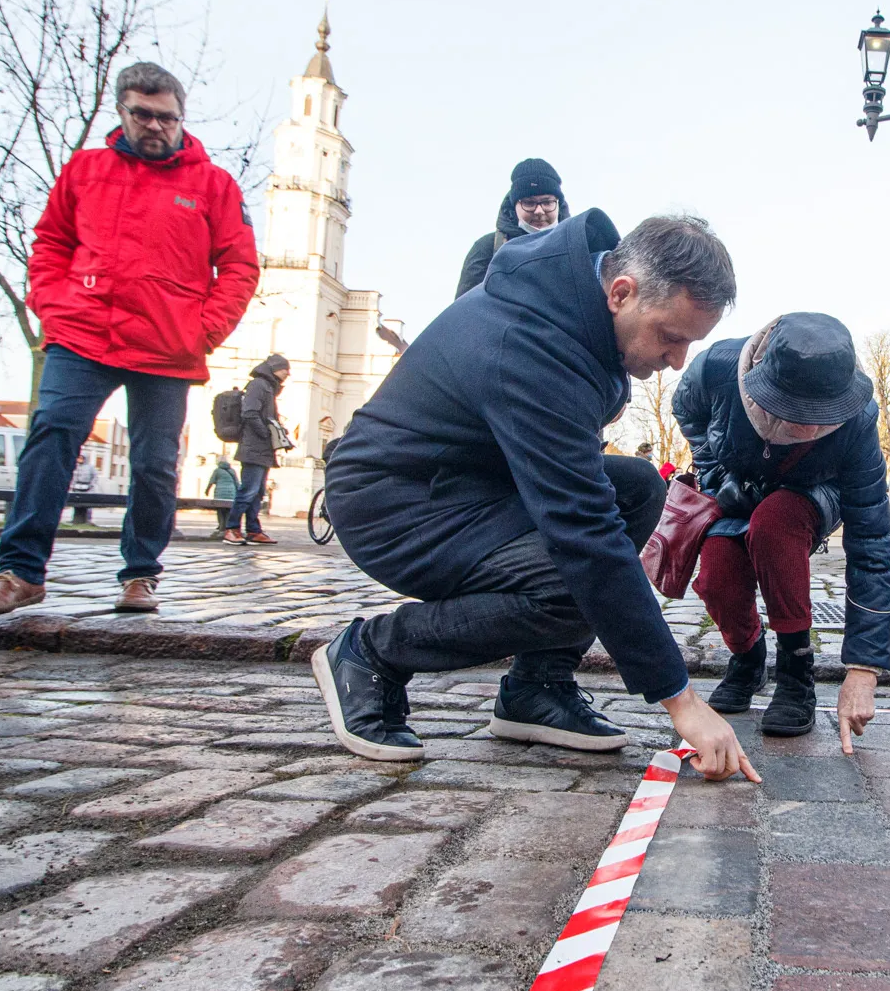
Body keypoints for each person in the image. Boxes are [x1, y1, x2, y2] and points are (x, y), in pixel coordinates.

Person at [313, 209, 756, 782]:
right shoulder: (529, 342)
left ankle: (537, 686)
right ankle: (372, 652)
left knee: (641, 488)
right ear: (622, 292)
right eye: (671, 338)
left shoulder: (578, 311)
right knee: (572, 580)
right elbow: (585, 535)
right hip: (395, 503)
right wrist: (681, 700)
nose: (677, 361)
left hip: (472, 484)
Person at [0, 62, 258, 616]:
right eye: (142, 114)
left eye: (165, 117)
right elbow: (49, 244)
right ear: (121, 112)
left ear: (181, 117)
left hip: (168, 346)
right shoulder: (85, 171)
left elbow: (239, 266)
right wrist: (53, 305)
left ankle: (141, 573)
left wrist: (204, 330)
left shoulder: (213, 185)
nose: (154, 126)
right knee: (50, 441)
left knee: (153, 462)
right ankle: (20, 572)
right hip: (83, 335)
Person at [675, 313, 890, 746]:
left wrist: (864, 670)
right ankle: (747, 658)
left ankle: (796, 670)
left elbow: (872, 543)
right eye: (798, 413)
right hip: (741, 485)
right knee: (717, 570)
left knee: (775, 523)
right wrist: (715, 472)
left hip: (814, 493)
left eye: (823, 415)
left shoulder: (859, 421)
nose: (812, 427)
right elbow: (687, 411)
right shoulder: (716, 367)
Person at [454, 158, 567, 298]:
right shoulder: (487, 248)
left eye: (547, 202)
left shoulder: (579, 246)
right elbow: (465, 309)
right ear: (514, 206)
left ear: (558, 204)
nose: (539, 211)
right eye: (529, 203)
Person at [230, 354, 290, 545]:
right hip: (254, 447)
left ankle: (253, 530)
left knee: (257, 492)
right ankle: (231, 528)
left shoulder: (268, 388)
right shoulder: (258, 385)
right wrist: (265, 433)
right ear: (274, 368)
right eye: (285, 369)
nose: (287, 373)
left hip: (262, 449)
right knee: (248, 490)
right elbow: (249, 412)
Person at [207, 455, 239, 535]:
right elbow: (237, 483)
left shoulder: (217, 471)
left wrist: (207, 490)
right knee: (229, 510)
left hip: (220, 493)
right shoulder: (232, 471)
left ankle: (221, 527)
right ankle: (227, 527)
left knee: (220, 510)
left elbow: (211, 482)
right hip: (231, 492)